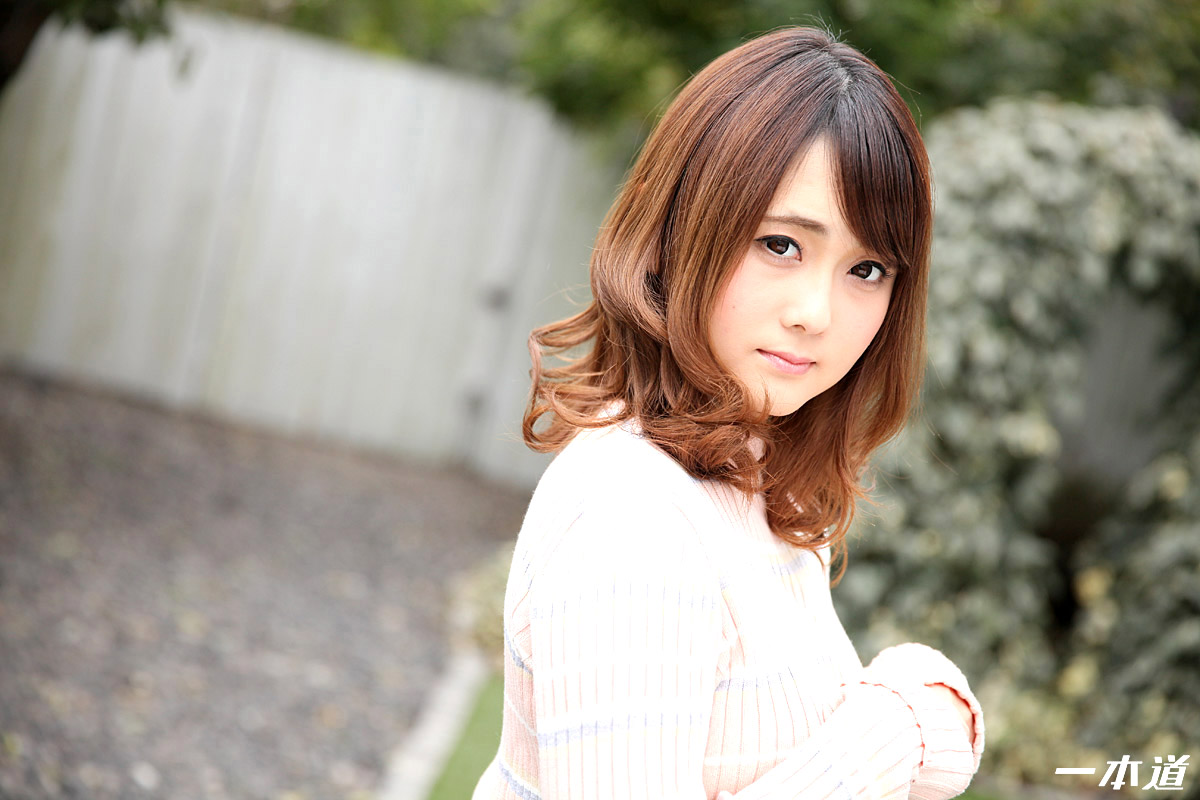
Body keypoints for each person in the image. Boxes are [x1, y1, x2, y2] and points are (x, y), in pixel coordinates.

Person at [473, 26, 984, 800]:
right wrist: (891, 735)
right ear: (681, 229)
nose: (816, 313)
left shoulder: (751, 474)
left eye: (867, 269)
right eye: (781, 245)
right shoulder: (632, 519)